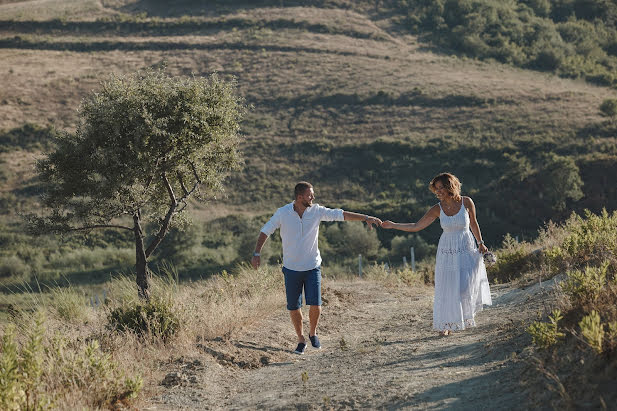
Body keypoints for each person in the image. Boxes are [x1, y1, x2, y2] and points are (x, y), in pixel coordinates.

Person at [251, 181, 382, 354]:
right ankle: (301, 339)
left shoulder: (317, 211)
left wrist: (365, 217)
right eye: (309, 195)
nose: (313, 197)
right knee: (294, 307)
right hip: (291, 269)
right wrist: (257, 253)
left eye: (312, 194)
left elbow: (340, 214)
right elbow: (265, 231)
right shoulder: (282, 213)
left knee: (316, 304)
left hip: (312, 266)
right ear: (299, 197)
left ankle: (313, 333)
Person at [381, 173, 492, 336]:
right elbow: (416, 226)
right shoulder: (436, 209)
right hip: (447, 251)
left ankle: (462, 318)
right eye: (436, 188)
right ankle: (444, 325)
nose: (438, 191)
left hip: (466, 248)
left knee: (464, 286)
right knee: (447, 287)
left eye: (441, 188)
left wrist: (481, 243)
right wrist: (393, 225)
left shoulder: (466, 202)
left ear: (450, 187)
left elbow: (474, 223)